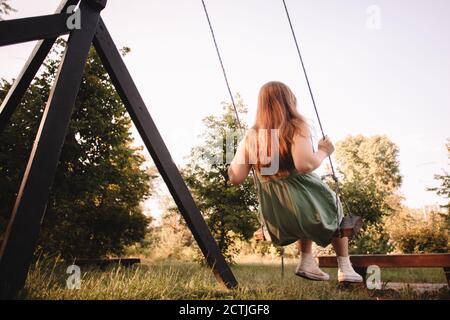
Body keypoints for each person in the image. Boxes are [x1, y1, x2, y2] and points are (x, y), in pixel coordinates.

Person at [228, 81, 362, 283]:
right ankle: (345, 267)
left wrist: (236, 151)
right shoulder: (295, 125)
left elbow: (235, 177)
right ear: (288, 101)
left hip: (278, 216)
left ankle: (307, 261)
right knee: (333, 207)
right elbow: (305, 164)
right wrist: (323, 151)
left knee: (303, 208)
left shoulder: (251, 136)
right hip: (307, 205)